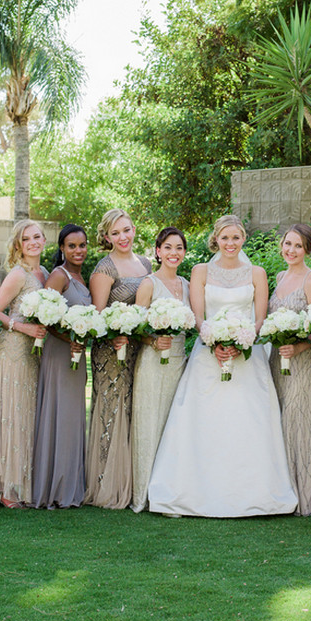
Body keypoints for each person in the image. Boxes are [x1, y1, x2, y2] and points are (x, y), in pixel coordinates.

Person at [148, 214, 297, 517]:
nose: (231, 243)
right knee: (202, 422)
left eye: (236, 237)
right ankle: (189, 492)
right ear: (215, 239)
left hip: (247, 357)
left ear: (244, 239)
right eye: (225, 238)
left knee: (248, 423)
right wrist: (214, 342)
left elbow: (259, 319)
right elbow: (198, 316)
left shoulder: (257, 272)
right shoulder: (201, 271)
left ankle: (257, 494)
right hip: (208, 355)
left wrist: (240, 341)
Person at [85, 209, 151, 509]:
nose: (122, 237)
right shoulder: (104, 268)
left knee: (135, 411)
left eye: (126, 230)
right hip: (110, 351)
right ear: (107, 237)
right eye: (115, 233)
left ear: (134, 229)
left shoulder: (147, 264)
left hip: (139, 348)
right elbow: (97, 316)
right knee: (112, 410)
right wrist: (112, 337)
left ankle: (134, 483)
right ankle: (105, 485)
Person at [0, 219, 48, 508]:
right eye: (26, 239)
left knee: (26, 416)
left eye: (37, 237)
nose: (33, 242)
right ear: (19, 245)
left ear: (44, 240)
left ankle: (22, 483)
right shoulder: (18, 274)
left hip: (33, 353)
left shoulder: (43, 273)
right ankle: (5, 488)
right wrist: (23, 329)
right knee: (11, 414)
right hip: (11, 350)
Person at [131, 227, 191, 513]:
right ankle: (145, 493)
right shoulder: (149, 284)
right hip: (154, 362)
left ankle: (169, 490)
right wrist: (154, 340)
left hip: (180, 362)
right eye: (168, 247)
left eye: (178, 248)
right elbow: (135, 326)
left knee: (174, 427)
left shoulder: (188, 285)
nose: (173, 253)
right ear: (157, 251)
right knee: (151, 423)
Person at [32, 224, 91, 509]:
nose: (78, 251)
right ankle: (54, 488)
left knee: (73, 416)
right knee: (60, 415)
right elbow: (44, 316)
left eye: (82, 245)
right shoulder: (59, 276)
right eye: (71, 246)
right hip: (59, 354)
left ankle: (71, 484)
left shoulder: (82, 275)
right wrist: (69, 339)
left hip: (76, 356)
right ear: (62, 248)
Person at [268, 223, 311, 515]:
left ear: (307, 250)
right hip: (277, 360)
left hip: (303, 361)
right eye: (288, 244)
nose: (291, 250)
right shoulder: (279, 277)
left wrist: (300, 347)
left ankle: (304, 496)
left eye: (298, 246)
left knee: (300, 420)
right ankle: (281, 491)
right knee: (280, 421)